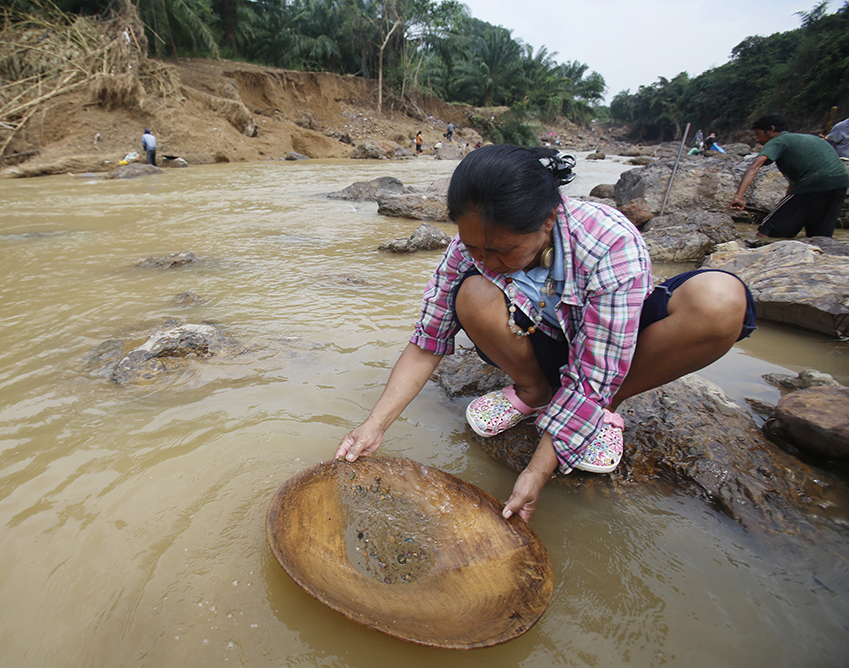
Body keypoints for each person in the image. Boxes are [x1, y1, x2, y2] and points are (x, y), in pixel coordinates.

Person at [335, 145, 756, 524]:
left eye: (502, 251)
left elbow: (597, 367)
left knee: (720, 299)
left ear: (548, 219)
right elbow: (429, 339)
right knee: (473, 292)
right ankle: (535, 391)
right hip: (545, 336)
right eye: (475, 248)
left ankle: (610, 408)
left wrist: (536, 471)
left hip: (615, 346)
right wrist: (373, 426)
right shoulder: (471, 246)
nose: (487, 259)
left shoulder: (609, 240)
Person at [731, 113, 849, 238]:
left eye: (758, 135)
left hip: (814, 183)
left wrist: (739, 197)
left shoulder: (778, 141)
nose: (757, 140)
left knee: (768, 231)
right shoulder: (810, 139)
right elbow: (794, 184)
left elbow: (755, 165)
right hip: (840, 184)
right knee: (819, 236)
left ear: (771, 129)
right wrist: (786, 205)